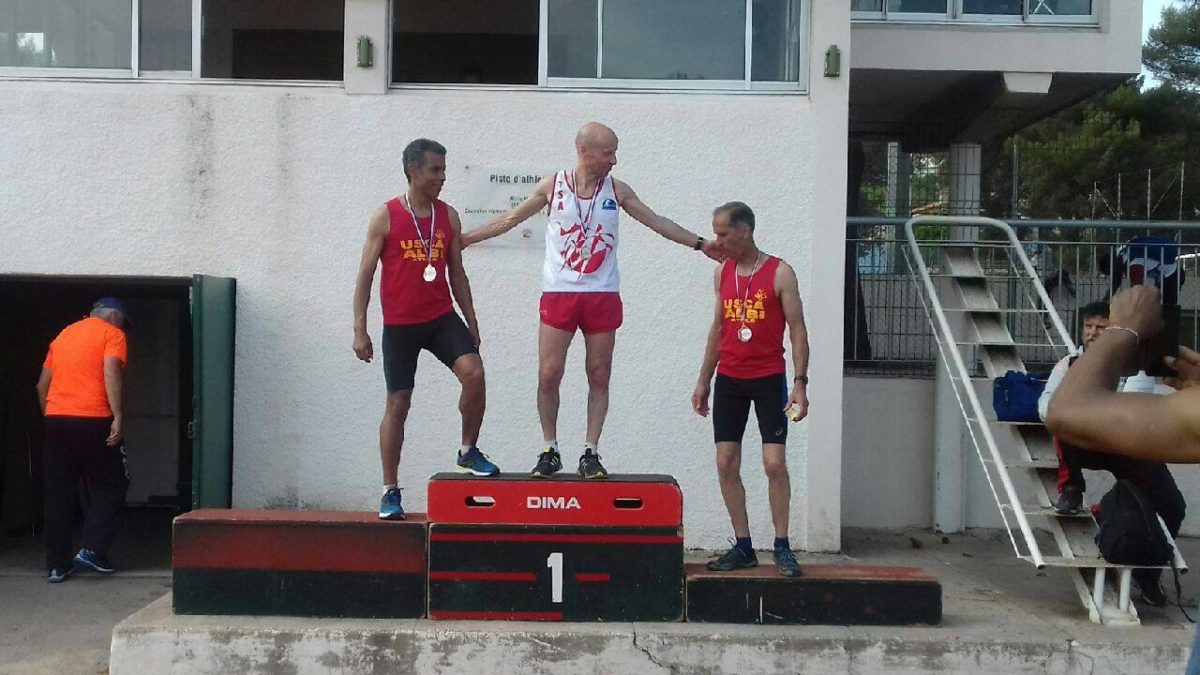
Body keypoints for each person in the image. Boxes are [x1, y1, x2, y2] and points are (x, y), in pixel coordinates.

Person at [463, 122, 723, 479]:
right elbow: (511, 218)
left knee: (599, 374)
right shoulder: (553, 186)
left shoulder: (616, 190)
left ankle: (591, 450)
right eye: (608, 152)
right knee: (549, 373)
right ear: (585, 151)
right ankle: (549, 448)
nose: (614, 160)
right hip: (560, 292)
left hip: (601, 294)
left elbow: (656, 221)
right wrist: (465, 239)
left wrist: (699, 243)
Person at [353, 138, 497, 521]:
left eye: (444, 170)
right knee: (398, 404)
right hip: (400, 325)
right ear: (413, 171)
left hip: (440, 318)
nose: (442, 177)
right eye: (436, 170)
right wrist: (359, 329)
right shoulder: (384, 216)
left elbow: (457, 272)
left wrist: (471, 318)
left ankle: (468, 451)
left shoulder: (447, 216)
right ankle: (389, 490)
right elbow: (365, 275)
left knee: (475, 373)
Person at [1045, 287, 1188, 606]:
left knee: (1173, 506)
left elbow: (1132, 411)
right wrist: (1089, 411)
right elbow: (1049, 407)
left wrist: (1098, 410)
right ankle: (1072, 490)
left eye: (1102, 328)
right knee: (1065, 418)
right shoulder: (1069, 365)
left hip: (1130, 446)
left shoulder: (1139, 366)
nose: (1094, 334)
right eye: (1089, 327)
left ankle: (1148, 572)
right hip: (1091, 442)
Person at [690, 202, 810, 578]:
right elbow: (718, 328)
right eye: (716, 232)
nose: (717, 240)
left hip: (769, 378)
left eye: (723, 233)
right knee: (725, 462)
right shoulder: (722, 272)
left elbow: (798, 330)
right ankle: (743, 546)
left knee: (774, 463)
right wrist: (703, 380)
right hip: (730, 378)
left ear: (744, 231)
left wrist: (800, 384)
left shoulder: (780, 272)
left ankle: (782, 546)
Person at [35, 298, 131, 583]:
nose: (125, 328)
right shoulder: (112, 334)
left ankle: (57, 565)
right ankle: (93, 549)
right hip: (93, 419)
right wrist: (117, 415)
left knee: (58, 492)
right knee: (113, 482)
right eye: (125, 321)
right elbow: (111, 369)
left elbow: (42, 385)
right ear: (115, 316)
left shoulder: (64, 335)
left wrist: (53, 416)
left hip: (56, 420)